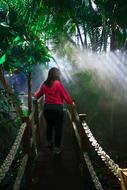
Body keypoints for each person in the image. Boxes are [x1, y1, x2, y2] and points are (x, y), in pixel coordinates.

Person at [34, 67, 75, 155]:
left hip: (47, 109)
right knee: (58, 129)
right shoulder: (57, 84)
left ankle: (49, 142)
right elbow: (65, 95)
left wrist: (34, 96)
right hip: (57, 109)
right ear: (56, 74)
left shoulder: (44, 84)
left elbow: (38, 95)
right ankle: (57, 148)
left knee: (49, 126)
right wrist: (71, 102)